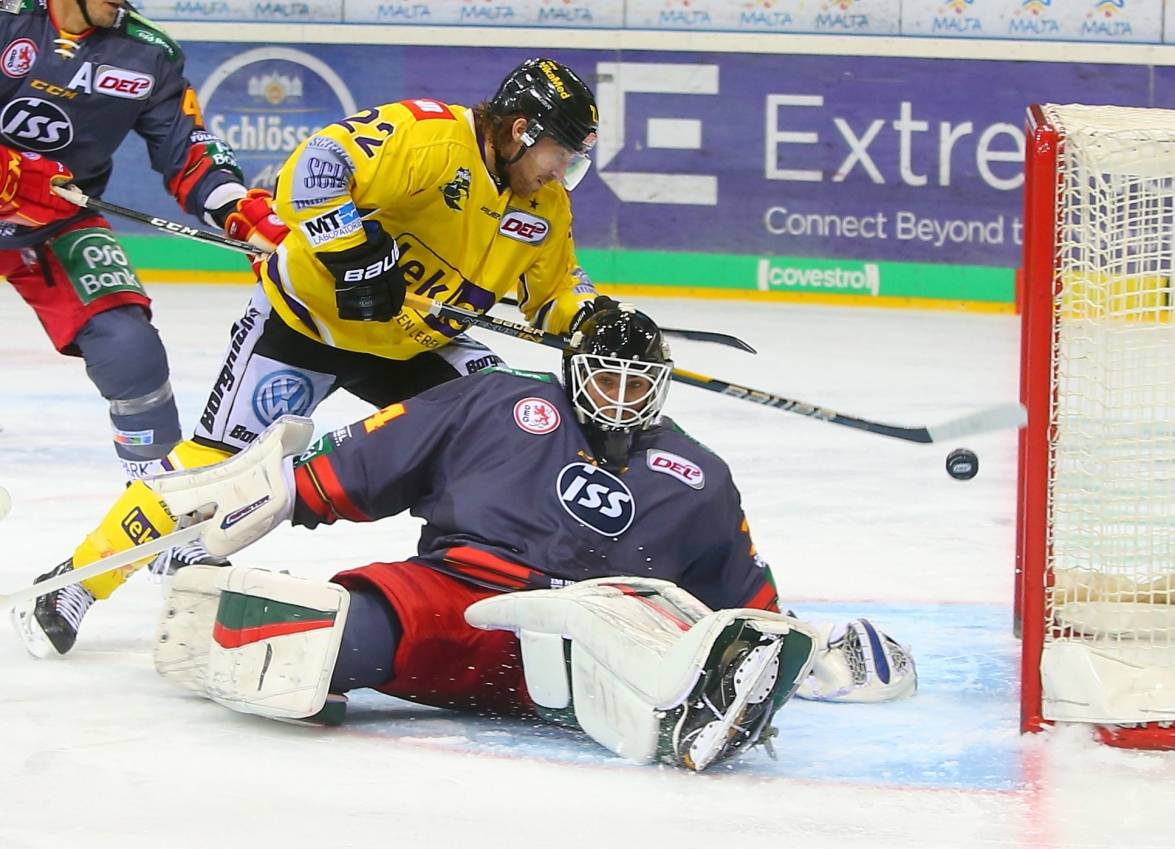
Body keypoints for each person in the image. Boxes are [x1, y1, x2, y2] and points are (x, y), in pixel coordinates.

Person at [18, 307, 917, 770]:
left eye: (638, 380)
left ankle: (688, 716)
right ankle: (670, 710)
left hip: (598, 628)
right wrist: (275, 490)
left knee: (657, 654)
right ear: (574, 370)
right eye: (604, 375)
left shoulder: (699, 474)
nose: (619, 395)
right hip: (460, 600)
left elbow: (744, 604)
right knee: (316, 640)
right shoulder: (495, 401)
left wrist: (801, 647)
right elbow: (355, 466)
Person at [13, 55, 622, 651]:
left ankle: (486, 588)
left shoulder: (544, 205)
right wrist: (352, 253)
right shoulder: (430, 137)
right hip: (307, 324)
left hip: (413, 344)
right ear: (521, 131)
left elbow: (557, 286)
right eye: (560, 155)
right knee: (211, 467)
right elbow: (316, 167)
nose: (561, 172)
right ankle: (75, 584)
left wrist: (597, 318)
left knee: (513, 427)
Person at [0, 0, 258, 481]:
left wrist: (237, 208)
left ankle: (159, 516)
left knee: (130, 351)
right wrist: (11, 172)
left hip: (54, 223)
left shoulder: (148, 53)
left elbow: (188, 148)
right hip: (28, 203)